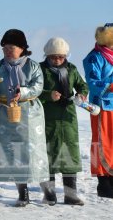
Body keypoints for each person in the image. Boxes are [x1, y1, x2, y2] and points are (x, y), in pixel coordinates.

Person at [0, 29, 49, 207]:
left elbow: (38, 86)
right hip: (6, 113)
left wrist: (23, 92)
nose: (7, 51)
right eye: (4, 48)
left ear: (22, 48)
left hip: (30, 113)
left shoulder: (32, 65)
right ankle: (23, 193)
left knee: (34, 152)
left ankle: (47, 190)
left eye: (11, 48)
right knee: (13, 152)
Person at [39, 37, 88, 205]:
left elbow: (82, 85)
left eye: (60, 57)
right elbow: (35, 90)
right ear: (47, 55)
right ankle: (49, 195)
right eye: (53, 57)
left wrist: (82, 94)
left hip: (68, 118)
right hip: (48, 118)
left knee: (69, 157)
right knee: (48, 156)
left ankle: (71, 195)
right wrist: (48, 95)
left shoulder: (72, 69)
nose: (57, 60)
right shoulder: (40, 70)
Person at [83, 23, 113, 198]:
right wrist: (109, 86)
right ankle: (103, 182)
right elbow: (92, 83)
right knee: (101, 143)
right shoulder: (94, 57)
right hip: (102, 106)